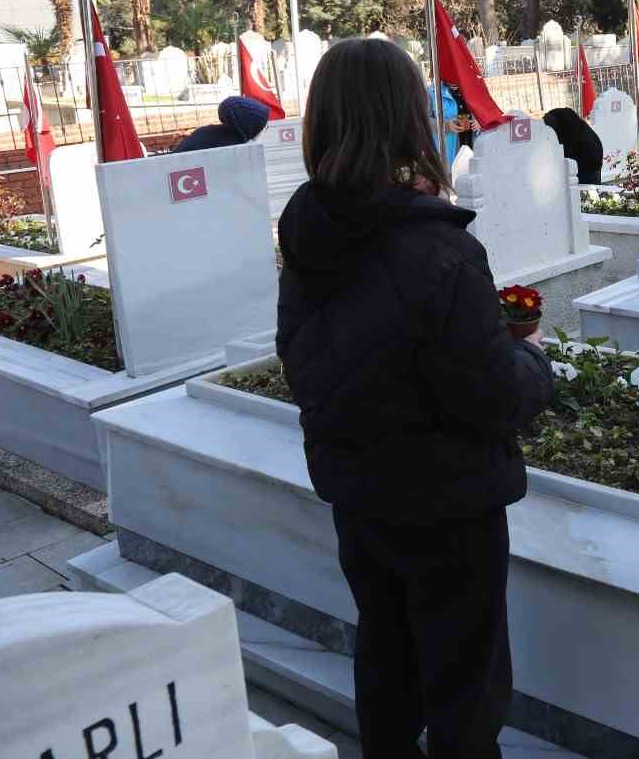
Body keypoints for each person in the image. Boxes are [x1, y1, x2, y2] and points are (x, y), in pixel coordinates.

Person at [276, 38, 553, 759]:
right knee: (466, 688)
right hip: (449, 506)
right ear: (407, 119)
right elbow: (491, 395)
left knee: (387, 659)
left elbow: (313, 361)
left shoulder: (308, 235)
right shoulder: (439, 250)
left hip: (359, 496)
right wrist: (532, 357)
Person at [171, 95, 270, 154]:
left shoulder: (210, 134)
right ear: (249, 127)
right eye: (263, 126)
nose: (265, 129)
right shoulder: (230, 147)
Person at [543, 107, 604, 185]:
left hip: (588, 165)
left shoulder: (570, 131)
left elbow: (567, 155)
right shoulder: (566, 120)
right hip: (593, 157)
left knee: (587, 189)